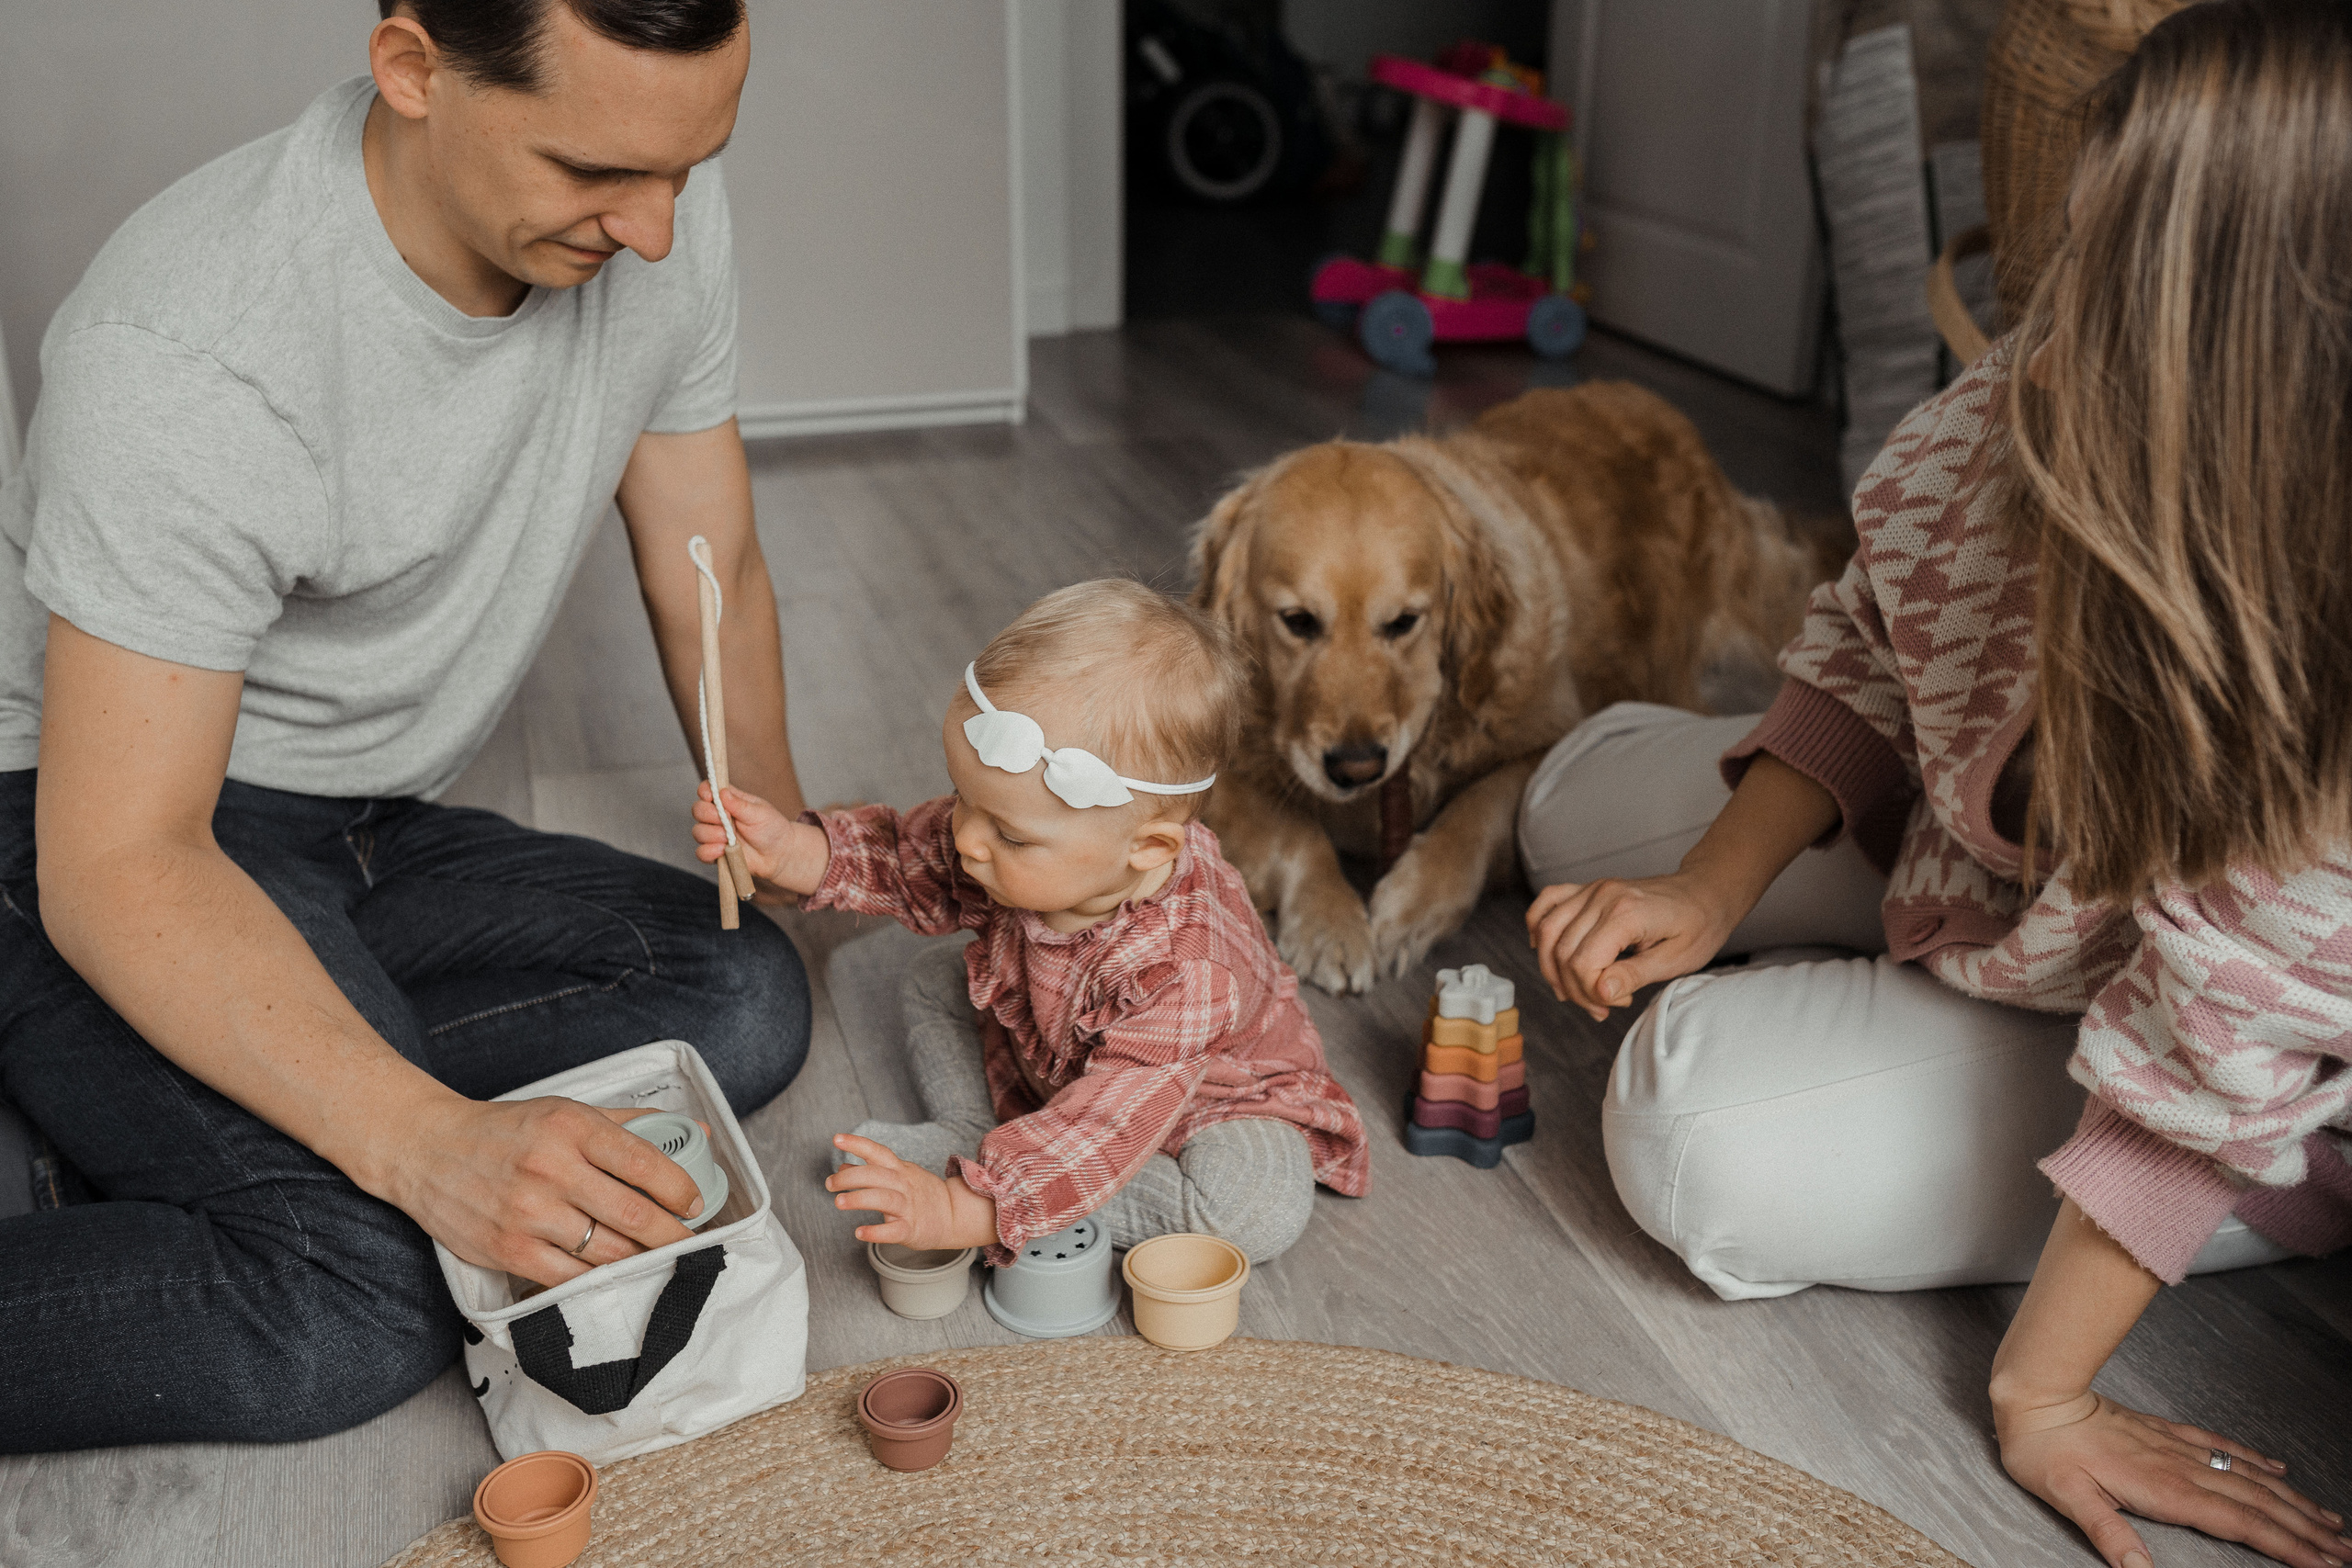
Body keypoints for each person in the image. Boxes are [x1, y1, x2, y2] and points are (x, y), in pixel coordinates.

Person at [1519, 5, 2351, 1567]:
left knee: (1690, 1125)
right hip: (2013, 887)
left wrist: (2049, 1392)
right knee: (1567, 811)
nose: (2046, 290)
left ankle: (2241, 1217)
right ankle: (1847, 944)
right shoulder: (2041, 389)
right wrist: (1708, 888)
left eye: (2106, 259)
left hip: (2234, 1073)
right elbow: (1877, 639)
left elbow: (2213, 1051)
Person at [0, 0, 813, 1451]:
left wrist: (804, 847)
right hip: (92, 824)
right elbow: (123, 856)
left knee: (747, 989)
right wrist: (433, 1145)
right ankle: (181, 1095)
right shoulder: (188, 351)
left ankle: (141, 1104)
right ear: (413, 69)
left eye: (687, 170)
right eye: (594, 173)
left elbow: (714, 573)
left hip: (360, 822)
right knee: (356, 1292)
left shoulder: (651, 187)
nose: (656, 234)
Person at [696, 581, 1370, 1264]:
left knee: (1251, 1209)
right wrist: (794, 850)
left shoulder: (1187, 971)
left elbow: (1108, 1121)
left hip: (1207, 1102)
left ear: (1148, 848)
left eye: (1009, 835)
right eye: (964, 799)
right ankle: (972, 1132)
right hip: (1064, 1053)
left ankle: (1007, 1183)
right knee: (932, 978)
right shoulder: (1016, 841)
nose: (968, 839)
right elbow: (910, 858)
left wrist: (971, 1211)